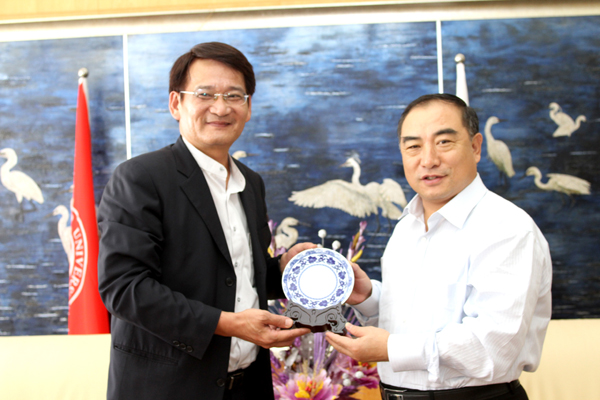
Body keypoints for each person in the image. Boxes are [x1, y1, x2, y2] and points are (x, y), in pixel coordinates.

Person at [97, 42, 313, 400]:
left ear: (248, 108)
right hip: (167, 390)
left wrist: (284, 271)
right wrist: (228, 324)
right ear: (176, 104)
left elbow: (235, 276)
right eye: (205, 94)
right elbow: (124, 288)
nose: (221, 107)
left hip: (248, 386)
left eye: (234, 95)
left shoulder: (251, 183)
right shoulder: (140, 177)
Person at [326, 93, 552, 400]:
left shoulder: (507, 228)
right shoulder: (406, 226)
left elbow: (493, 346)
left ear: (475, 147)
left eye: (444, 142)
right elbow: (418, 320)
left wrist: (391, 348)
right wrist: (368, 297)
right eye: (413, 146)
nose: (428, 159)